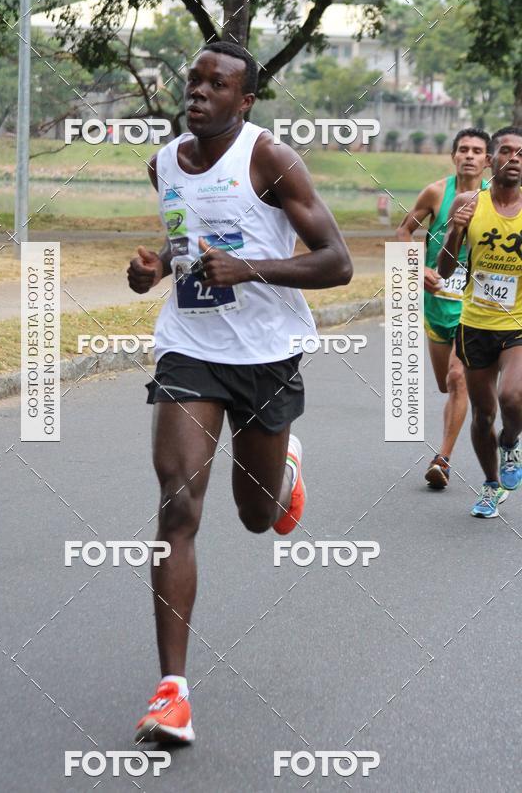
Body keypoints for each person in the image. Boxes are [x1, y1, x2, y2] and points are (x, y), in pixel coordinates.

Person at [127, 40, 353, 743]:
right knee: (177, 503)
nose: (196, 92)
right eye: (192, 80)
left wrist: (251, 269)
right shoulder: (164, 160)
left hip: (267, 354)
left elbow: (337, 263)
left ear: (244, 100)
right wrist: (154, 268)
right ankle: (172, 692)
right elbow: (184, 239)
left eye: (215, 84)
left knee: (257, 516)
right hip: (189, 348)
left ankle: (282, 473)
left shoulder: (270, 158)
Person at [396, 128, 490, 488]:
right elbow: (404, 231)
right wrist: (417, 267)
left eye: (477, 150)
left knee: (456, 378)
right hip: (436, 302)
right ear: (453, 156)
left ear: (488, 160)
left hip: (475, 306)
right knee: (445, 384)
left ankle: (442, 459)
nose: (469, 155)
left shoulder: (495, 198)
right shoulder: (436, 192)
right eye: (463, 149)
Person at [438, 126, 522, 517]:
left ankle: (510, 443)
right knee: (483, 413)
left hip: (517, 323)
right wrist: (456, 230)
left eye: (521, 153)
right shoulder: (469, 202)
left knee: (512, 398)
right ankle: (490, 485)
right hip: (474, 323)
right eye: (506, 151)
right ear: (493, 159)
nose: (515, 158)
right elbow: (446, 267)